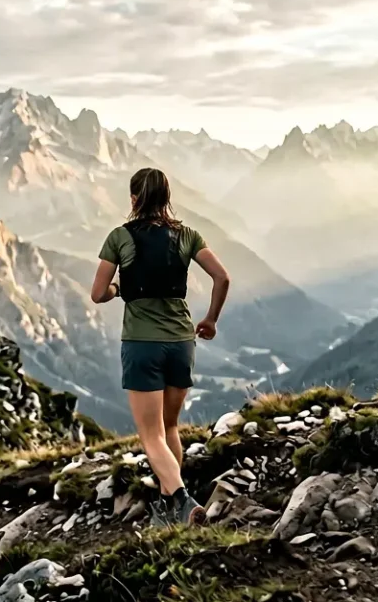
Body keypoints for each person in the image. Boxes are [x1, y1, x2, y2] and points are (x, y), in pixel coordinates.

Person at [92, 167, 231, 527]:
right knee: (170, 426)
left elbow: (97, 293)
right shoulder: (187, 235)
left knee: (151, 434)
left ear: (134, 199)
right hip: (182, 342)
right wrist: (211, 319)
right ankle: (170, 508)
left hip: (142, 345)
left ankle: (183, 501)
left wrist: (119, 290)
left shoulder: (119, 237)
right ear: (168, 198)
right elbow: (222, 277)